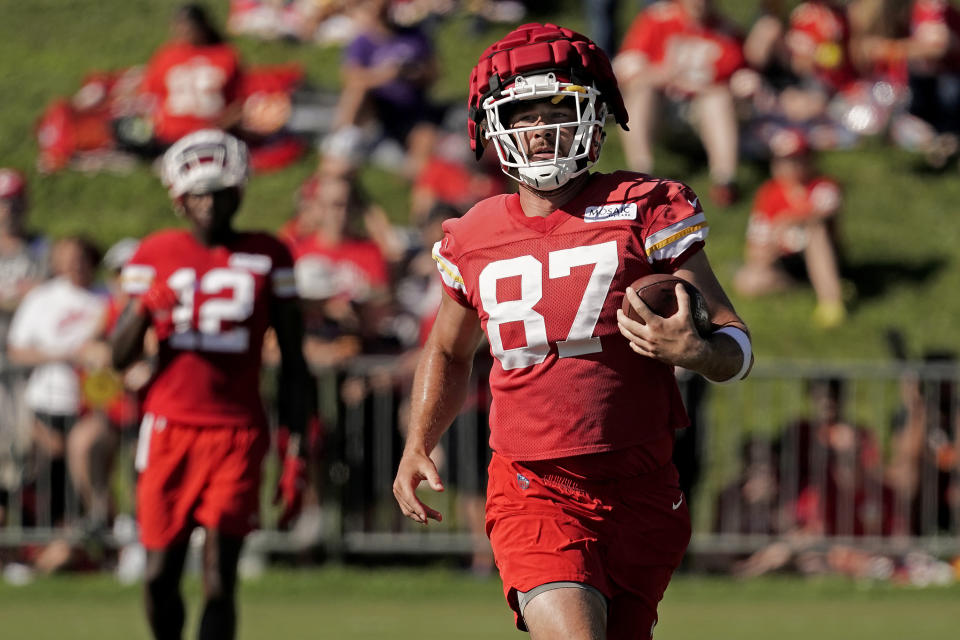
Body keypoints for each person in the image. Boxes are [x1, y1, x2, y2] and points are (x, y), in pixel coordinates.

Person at [393, 24, 753, 638]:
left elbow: (734, 341)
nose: (539, 129)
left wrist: (697, 352)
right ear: (493, 126)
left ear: (595, 114)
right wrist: (417, 440)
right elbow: (449, 352)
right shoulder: (473, 233)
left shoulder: (645, 207)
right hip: (532, 482)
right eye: (522, 113)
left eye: (555, 109)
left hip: (641, 483)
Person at [110, 129, 310, 640]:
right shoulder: (156, 251)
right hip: (169, 427)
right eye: (198, 194)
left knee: (220, 579)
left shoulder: (269, 253)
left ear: (238, 193)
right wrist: (141, 309)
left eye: (219, 192)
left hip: (238, 432)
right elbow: (119, 356)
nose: (208, 204)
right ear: (180, 200)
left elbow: (292, 360)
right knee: (159, 576)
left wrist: (296, 446)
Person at [7, 237, 106, 527]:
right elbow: (17, 350)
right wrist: (67, 356)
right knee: (46, 471)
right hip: (47, 400)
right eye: (68, 258)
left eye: (81, 258)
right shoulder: (43, 298)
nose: (75, 265)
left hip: (94, 402)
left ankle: (96, 528)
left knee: (90, 465)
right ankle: (41, 538)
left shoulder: (104, 297)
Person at [614, 0, 744, 205]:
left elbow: (738, 76)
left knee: (718, 98)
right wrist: (662, 76)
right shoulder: (656, 19)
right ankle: (641, 174)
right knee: (640, 92)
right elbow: (624, 68)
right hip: (661, 108)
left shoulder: (725, 29)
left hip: (702, 109)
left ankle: (725, 180)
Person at [733, 128, 847, 328]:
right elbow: (755, 249)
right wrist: (772, 245)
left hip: (826, 254)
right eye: (782, 161)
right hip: (786, 259)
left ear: (809, 160)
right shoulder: (769, 193)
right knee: (746, 280)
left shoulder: (822, 185)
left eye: (796, 160)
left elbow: (826, 210)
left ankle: (831, 301)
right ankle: (800, 287)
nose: (789, 167)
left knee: (815, 231)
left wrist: (789, 220)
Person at [124, 4, 243, 155]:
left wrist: (217, 127)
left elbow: (237, 104)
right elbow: (150, 97)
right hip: (170, 136)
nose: (184, 31)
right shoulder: (167, 55)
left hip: (211, 134)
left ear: (202, 26)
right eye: (180, 26)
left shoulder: (225, 55)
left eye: (188, 26)